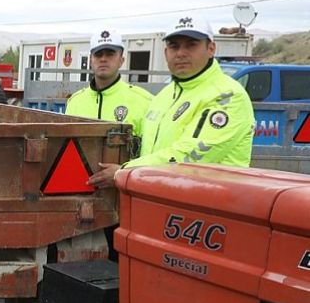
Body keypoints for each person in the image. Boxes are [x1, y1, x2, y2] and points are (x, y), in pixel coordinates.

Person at [87, 14, 254, 189]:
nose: (181, 53)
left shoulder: (227, 96)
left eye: (191, 45)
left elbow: (192, 154)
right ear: (166, 53)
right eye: (174, 46)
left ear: (211, 48)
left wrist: (124, 171)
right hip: (160, 200)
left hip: (209, 208)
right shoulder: (163, 97)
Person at [65, 30, 153, 138]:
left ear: (121, 60)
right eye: (98, 54)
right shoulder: (74, 102)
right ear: (91, 61)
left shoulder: (144, 101)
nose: (103, 59)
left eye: (110, 54)